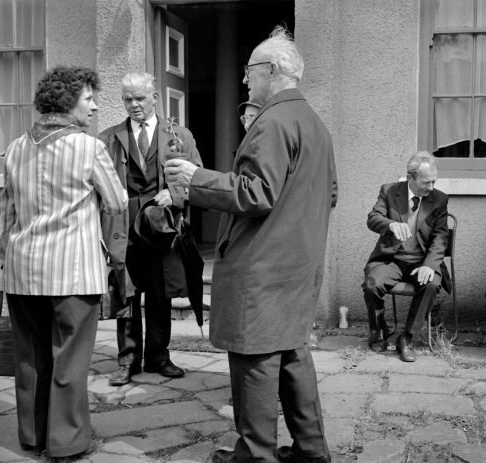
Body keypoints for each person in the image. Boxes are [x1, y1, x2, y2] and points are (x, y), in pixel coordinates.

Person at [165, 25, 337, 463]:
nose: (245, 79)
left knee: (255, 367)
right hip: (298, 268)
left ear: (273, 70)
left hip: (262, 272)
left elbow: (256, 192)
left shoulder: (273, 120)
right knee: (294, 360)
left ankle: (256, 456)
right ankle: (311, 452)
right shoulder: (314, 123)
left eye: (250, 71)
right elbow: (328, 194)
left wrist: (195, 179)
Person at [0, 66, 128, 458]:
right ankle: (66, 443)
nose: (94, 106)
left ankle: (33, 436)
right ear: (68, 100)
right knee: (69, 361)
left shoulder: (16, 146)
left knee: (31, 359)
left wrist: (4, 259)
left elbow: (7, 212)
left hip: (22, 272)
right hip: (72, 272)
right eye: (89, 98)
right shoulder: (90, 148)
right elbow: (118, 201)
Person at [99, 72, 203, 386]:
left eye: (139, 98)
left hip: (162, 227)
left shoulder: (179, 135)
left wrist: (176, 195)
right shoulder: (109, 138)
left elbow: (198, 179)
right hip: (124, 227)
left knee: (160, 293)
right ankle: (128, 360)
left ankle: (158, 356)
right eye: (127, 99)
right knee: (126, 293)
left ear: (154, 97)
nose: (133, 105)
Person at [362, 151, 451, 362]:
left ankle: (407, 338)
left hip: (421, 262)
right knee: (371, 285)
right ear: (410, 177)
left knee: (430, 284)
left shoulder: (439, 199)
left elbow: (440, 237)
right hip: (391, 259)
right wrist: (391, 224)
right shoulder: (390, 191)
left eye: (433, 182)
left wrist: (430, 265)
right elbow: (373, 218)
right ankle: (380, 330)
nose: (431, 187)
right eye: (426, 182)